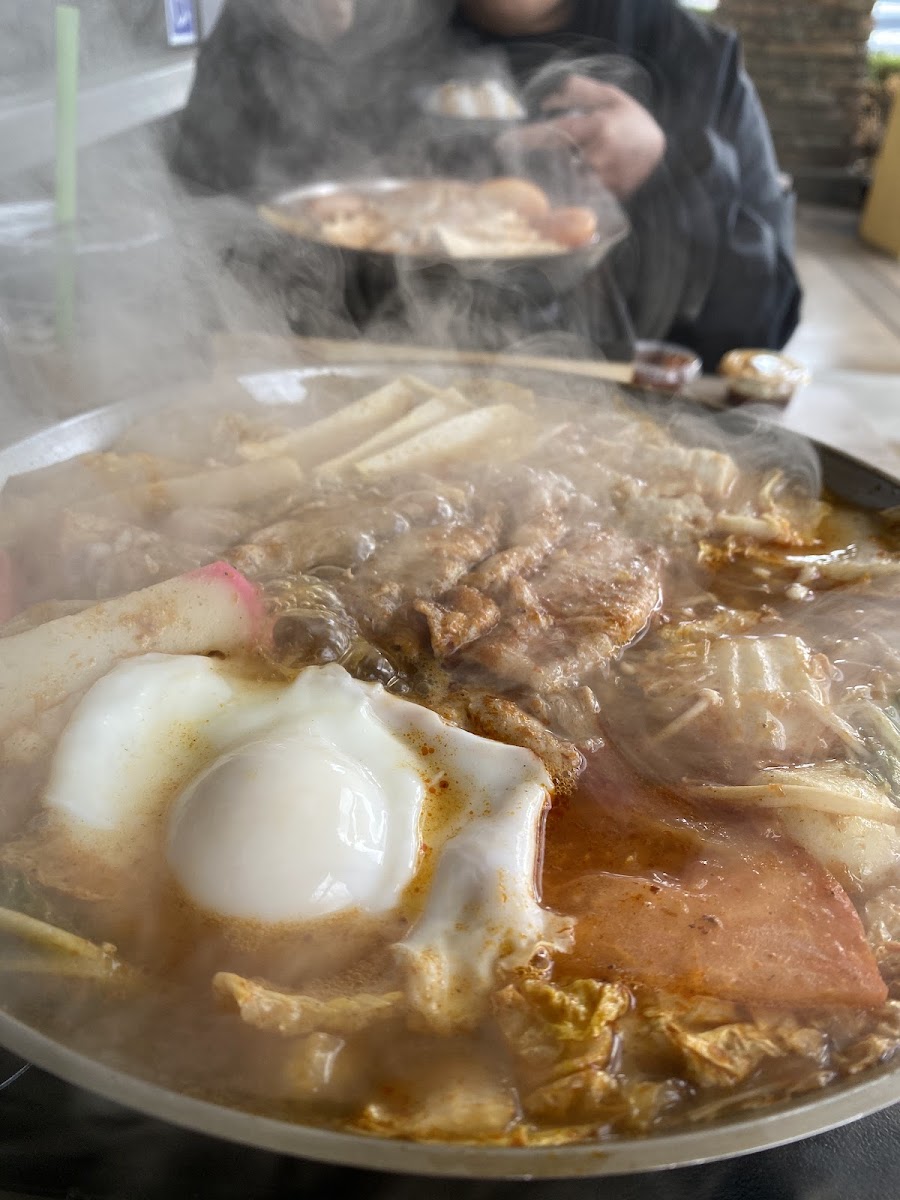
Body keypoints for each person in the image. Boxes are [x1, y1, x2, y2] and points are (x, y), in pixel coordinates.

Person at [170, 0, 801, 369]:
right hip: (340, 388)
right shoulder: (350, 21)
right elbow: (200, 231)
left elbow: (756, 333)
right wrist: (265, 38)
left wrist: (673, 171)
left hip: (588, 427)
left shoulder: (694, 61)